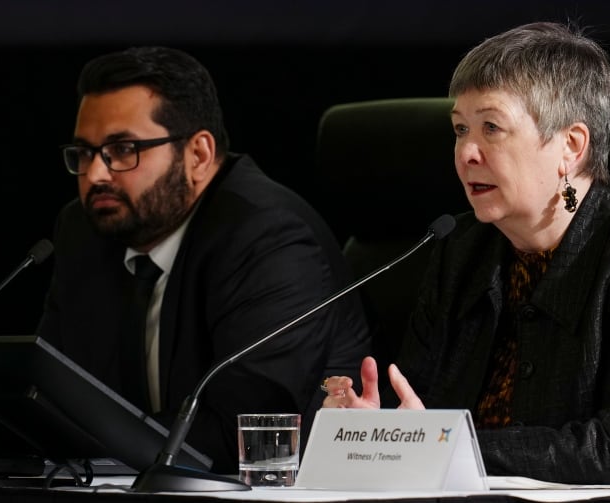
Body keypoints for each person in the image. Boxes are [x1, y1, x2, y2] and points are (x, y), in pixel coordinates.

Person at [322, 22, 610, 484]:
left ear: (571, 146)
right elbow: (418, 406)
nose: (466, 153)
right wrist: (375, 430)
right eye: (459, 129)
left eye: (491, 128)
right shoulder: (460, 249)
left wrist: (448, 444)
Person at [36, 46, 370, 475]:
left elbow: (242, 427)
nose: (97, 174)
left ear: (197, 155)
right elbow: (49, 391)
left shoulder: (267, 236)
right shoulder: (86, 230)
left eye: (122, 150)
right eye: (84, 153)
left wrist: (83, 446)